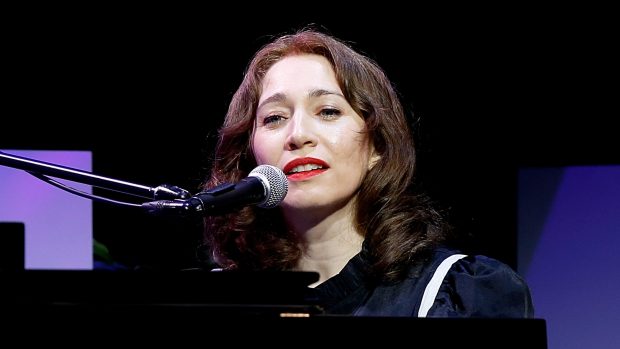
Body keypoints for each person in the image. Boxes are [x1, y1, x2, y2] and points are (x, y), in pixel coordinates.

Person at [201, 28, 534, 317]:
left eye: (328, 111)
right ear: (250, 153)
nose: (297, 134)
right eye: (274, 118)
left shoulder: (452, 294)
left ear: (377, 145)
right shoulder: (212, 302)